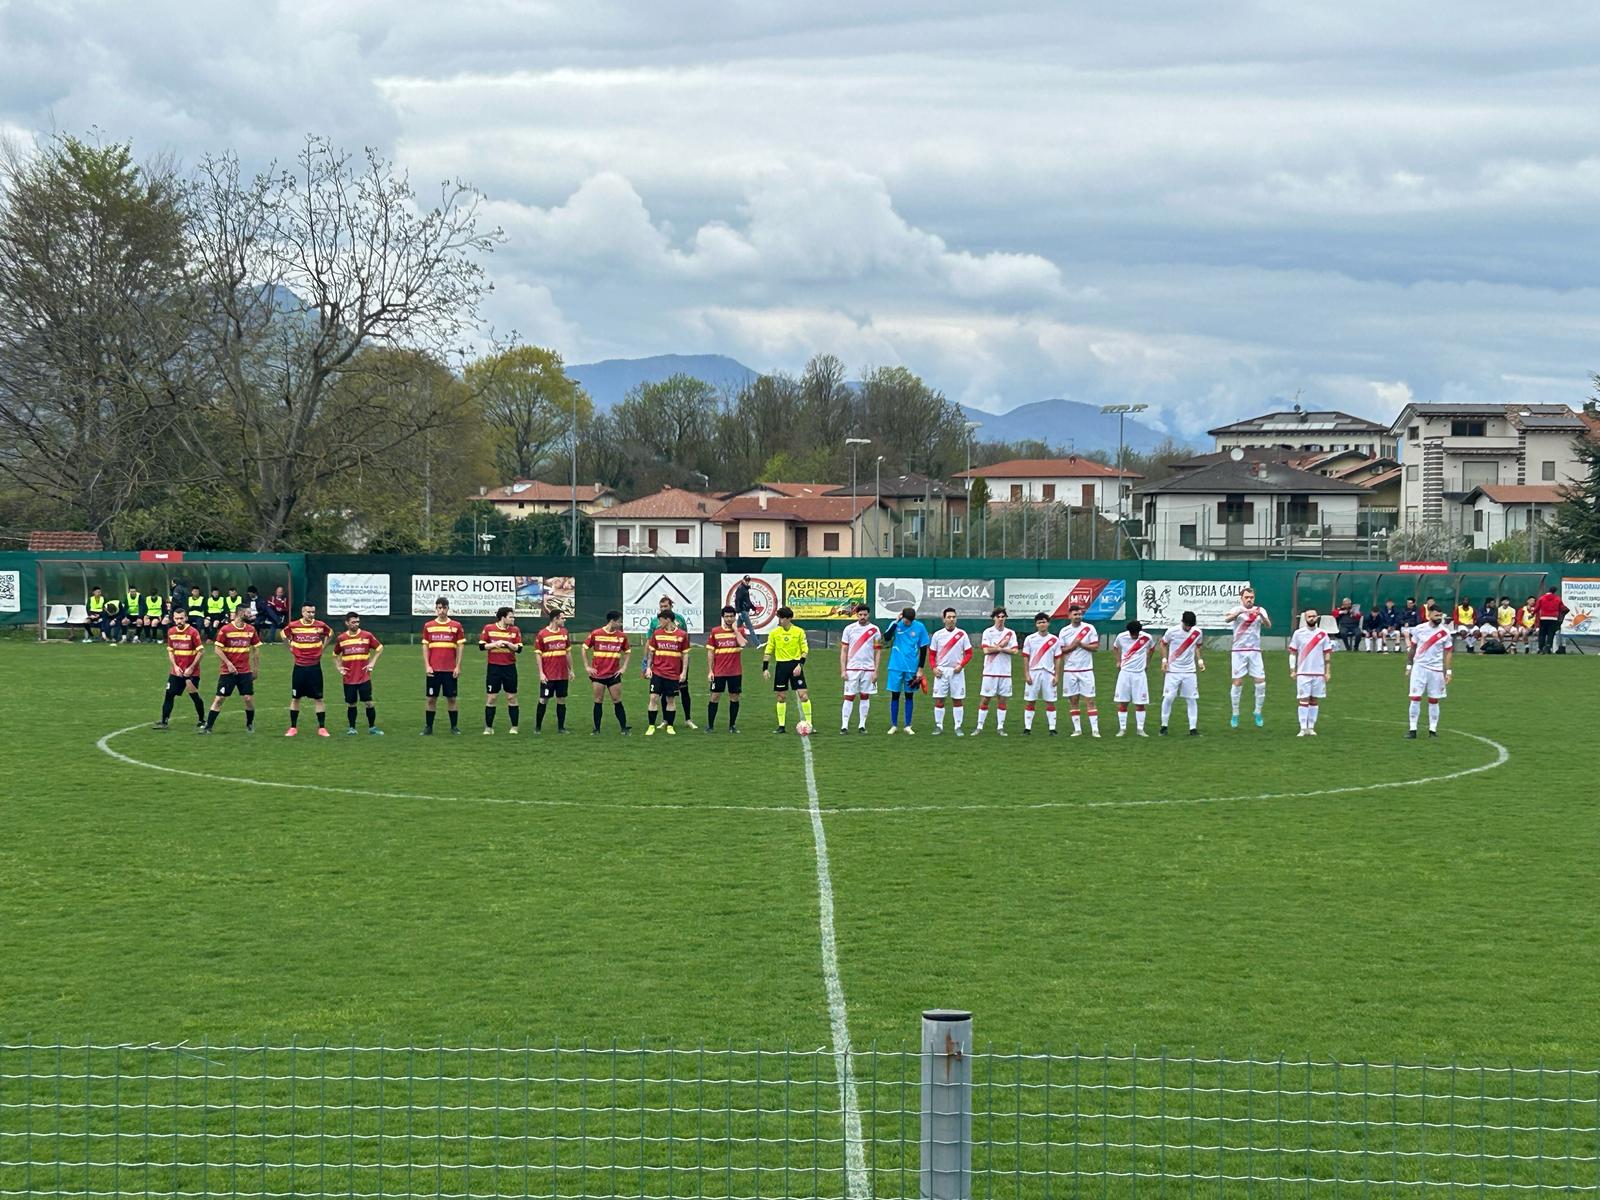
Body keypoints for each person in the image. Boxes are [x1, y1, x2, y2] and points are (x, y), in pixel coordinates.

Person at [200, 607, 261, 734]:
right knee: (219, 699)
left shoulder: (251, 630)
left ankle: (249, 724)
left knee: (248, 699)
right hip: (228, 672)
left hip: (245, 671)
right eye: (248, 612)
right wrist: (228, 664)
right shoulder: (226, 629)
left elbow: (256, 649)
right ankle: (208, 727)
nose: (251, 615)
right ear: (240, 613)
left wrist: (255, 669)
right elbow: (217, 649)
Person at [644, 596, 696, 729]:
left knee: (684, 690)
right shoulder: (655, 623)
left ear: (670, 607)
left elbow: (685, 640)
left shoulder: (680, 620)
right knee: (661, 693)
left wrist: (685, 664)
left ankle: (688, 718)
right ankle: (665, 720)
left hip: (676, 663)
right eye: (661, 607)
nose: (663, 609)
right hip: (661, 665)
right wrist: (646, 664)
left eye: (665, 607)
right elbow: (650, 642)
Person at [1222, 587, 1271, 729]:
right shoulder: (1236, 609)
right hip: (1238, 650)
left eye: (1251, 597)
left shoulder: (1260, 610)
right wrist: (1239, 613)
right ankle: (1235, 713)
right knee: (1237, 682)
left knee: (1261, 682)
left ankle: (1257, 712)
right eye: (1246, 597)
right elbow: (1227, 619)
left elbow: (1268, 625)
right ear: (1241, 598)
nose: (1249, 599)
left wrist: (1261, 616)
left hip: (1255, 651)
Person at [283, 602, 334, 737]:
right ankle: (293, 727)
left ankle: (322, 728)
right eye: (308, 612)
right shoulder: (294, 626)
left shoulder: (320, 625)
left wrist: (323, 647)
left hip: (314, 667)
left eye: (313, 612)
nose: (311, 615)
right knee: (295, 698)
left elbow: (330, 634)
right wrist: (289, 647)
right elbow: (283, 634)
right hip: (299, 667)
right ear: (302, 612)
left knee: (318, 698)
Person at [153, 607, 206, 729]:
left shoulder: (193, 632)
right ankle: (164, 722)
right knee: (169, 694)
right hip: (176, 671)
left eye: (181, 618)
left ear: (186, 618)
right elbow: (171, 651)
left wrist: (191, 668)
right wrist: (175, 666)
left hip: (191, 673)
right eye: (176, 619)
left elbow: (201, 652)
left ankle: (202, 720)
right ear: (173, 619)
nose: (179, 621)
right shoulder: (171, 632)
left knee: (194, 696)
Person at [761, 606, 812, 734]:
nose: (780, 620)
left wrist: (800, 665)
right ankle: (781, 726)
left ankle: (809, 724)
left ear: (789, 618)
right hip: (781, 667)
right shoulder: (774, 633)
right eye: (779, 618)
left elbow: (805, 650)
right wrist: (765, 668)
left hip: (795, 665)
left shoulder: (799, 632)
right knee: (781, 697)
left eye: (782, 618)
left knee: (804, 696)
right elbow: (768, 651)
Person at [1405, 605, 1454, 738]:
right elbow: (1413, 648)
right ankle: (1412, 729)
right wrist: (1409, 665)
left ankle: (1432, 730)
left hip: (1436, 670)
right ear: (1429, 615)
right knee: (1415, 698)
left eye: (1440, 615)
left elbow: (1448, 651)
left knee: (1434, 699)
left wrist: (1448, 671)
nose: (1439, 618)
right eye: (1436, 615)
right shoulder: (1419, 629)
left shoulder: (1445, 632)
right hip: (1419, 668)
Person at [332, 611, 384, 735]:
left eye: (357, 622)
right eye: (353, 622)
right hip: (349, 678)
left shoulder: (367, 636)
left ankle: (372, 727)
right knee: (351, 704)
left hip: (363, 677)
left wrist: (372, 663)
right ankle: (352, 728)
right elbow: (335, 655)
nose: (356, 624)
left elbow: (380, 648)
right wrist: (339, 667)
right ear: (347, 623)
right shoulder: (342, 638)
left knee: (369, 702)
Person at [421, 597, 466, 735]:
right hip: (433, 670)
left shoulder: (456, 625)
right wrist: (427, 665)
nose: (441, 610)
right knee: (431, 699)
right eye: (439, 608)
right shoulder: (428, 626)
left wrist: (457, 666)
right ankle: (428, 727)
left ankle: (454, 727)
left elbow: (460, 646)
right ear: (436, 609)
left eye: (444, 608)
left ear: (448, 608)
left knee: (451, 698)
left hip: (449, 669)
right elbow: (425, 647)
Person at [583, 611, 632, 735]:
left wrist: (623, 668)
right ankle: (596, 729)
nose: (620, 624)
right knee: (598, 700)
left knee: (617, 700)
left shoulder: (622, 636)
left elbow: (628, 652)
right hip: (598, 674)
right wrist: (587, 667)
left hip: (613, 674)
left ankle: (624, 728)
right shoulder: (596, 633)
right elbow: (584, 648)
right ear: (612, 621)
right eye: (619, 621)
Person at [884, 605, 930, 735]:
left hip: (912, 667)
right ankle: (894, 725)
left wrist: (920, 668)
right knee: (895, 695)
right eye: (906, 620)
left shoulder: (920, 627)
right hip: (895, 666)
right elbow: (886, 637)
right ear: (902, 616)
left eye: (910, 621)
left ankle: (908, 725)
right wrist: (896, 621)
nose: (907, 623)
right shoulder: (896, 624)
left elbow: (923, 648)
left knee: (909, 695)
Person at [1288, 608, 1333, 737]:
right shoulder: (1298, 634)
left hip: (1318, 673)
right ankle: (1302, 727)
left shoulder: (1323, 634)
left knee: (1314, 700)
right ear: (1305, 618)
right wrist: (1292, 670)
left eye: (1314, 616)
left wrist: (1327, 671)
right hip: (1303, 672)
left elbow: (1327, 654)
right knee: (1303, 699)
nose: (1312, 618)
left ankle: (1311, 727)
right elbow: (1292, 652)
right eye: (1309, 616)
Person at [1058, 603, 1101, 737]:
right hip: (1070, 671)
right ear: (1069, 616)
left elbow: (1095, 647)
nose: (1078, 616)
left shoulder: (1089, 628)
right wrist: (1072, 646)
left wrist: (1081, 644)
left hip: (1086, 670)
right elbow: (1061, 650)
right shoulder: (1064, 631)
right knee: (1074, 700)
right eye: (1075, 614)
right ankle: (1077, 729)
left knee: (1090, 700)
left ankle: (1095, 729)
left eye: (1080, 614)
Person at [1159, 610, 1205, 736]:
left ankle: (1193, 728)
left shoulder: (1197, 632)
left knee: (1191, 699)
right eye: (1186, 625)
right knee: (1168, 697)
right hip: (1173, 670)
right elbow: (1163, 644)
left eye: (1190, 626)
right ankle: (1164, 726)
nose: (1188, 628)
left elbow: (1198, 646)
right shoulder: (1172, 631)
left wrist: (1200, 659)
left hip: (1189, 671)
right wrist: (1164, 660)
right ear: (1182, 621)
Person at [928, 607, 972, 736]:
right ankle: (938, 726)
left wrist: (961, 665)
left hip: (956, 671)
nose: (951, 619)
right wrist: (934, 668)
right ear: (944, 619)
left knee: (957, 700)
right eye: (949, 617)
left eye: (954, 617)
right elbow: (931, 654)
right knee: (939, 700)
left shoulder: (962, 634)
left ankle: (958, 726)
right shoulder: (937, 635)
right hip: (941, 672)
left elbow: (969, 653)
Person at [972, 607, 1016, 736]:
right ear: (994, 618)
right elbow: (985, 650)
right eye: (998, 617)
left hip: (1005, 672)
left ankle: (1000, 727)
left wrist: (999, 649)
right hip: (990, 671)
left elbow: (1014, 651)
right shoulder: (988, 632)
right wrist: (1002, 647)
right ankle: (979, 727)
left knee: (1002, 700)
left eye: (1003, 616)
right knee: (985, 699)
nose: (1001, 619)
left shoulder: (1010, 633)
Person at [839, 603, 882, 734]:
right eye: (860, 614)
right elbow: (844, 650)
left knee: (865, 696)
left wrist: (876, 670)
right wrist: (843, 670)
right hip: (852, 669)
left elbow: (878, 651)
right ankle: (844, 726)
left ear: (868, 615)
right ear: (856, 615)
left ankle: (862, 725)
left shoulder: (875, 630)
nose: (862, 617)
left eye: (865, 614)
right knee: (849, 696)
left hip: (868, 669)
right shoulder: (849, 629)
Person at [480, 606, 524, 734]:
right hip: (494, 668)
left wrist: (511, 645)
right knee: (492, 698)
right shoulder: (489, 628)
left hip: (509, 667)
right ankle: (488, 728)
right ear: (503, 617)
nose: (513, 619)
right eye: (511, 617)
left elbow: (519, 649)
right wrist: (495, 644)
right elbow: (482, 646)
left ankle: (514, 727)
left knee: (511, 697)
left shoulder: (515, 630)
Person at [704, 606, 748, 733]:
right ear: (723, 617)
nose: (729, 619)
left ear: (735, 617)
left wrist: (735, 630)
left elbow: (743, 644)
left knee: (734, 697)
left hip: (735, 672)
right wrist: (710, 671)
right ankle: (710, 725)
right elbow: (710, 652)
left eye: (731, 616)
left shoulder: (739, 631)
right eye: (727, 616)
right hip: (719, 672)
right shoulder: (715, 631)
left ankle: (732, 726)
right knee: (714, 696)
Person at [1020, 612, 1061, 735]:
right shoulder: (1030, 639)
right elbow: (1025, 657)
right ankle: (1027, 728)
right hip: (1034, 673)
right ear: (1036, 625)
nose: (1042, 624)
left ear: (1048, 623)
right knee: (1030, 700)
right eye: (1039, 622)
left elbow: (1058, 658)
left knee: (1050, 701)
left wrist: (1057, 675)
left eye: (1044, 622)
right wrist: (1027, 674)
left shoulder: (1054, 640)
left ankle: (1052, 729)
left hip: (1048, 674)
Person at [1111, 619, 1154, 737]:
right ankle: (1122, 729)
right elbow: (1115, 647)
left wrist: (1147, 663)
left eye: (1136, 634)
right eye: (1132, 634)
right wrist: (1118, 661)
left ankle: (1140, 729)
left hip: (1139, 674)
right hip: (1125, 673)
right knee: (1123, 702)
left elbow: (1151, 649)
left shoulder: (1147, 638)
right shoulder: (1121, 637)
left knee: (1140, 703)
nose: (1134, 636)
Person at [535, 608, 573, 733]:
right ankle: (538, 727)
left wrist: (571, 670)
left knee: (561, 699)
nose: (564, 620)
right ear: (555, 619)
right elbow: (538, 655)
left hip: (562, 674)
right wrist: (541, 673)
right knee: (543, 699)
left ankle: (561, 728)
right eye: (562, 618)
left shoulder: (564, 633)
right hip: (548, 675)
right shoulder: (542, 634)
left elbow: (568, 653)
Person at [1534, 586, 1568, 654]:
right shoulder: (1557, 599)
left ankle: (1541, 648)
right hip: (1553, 618)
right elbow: (1562, 608)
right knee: (1550, 634)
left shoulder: (1542, 598)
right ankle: (1548, 647)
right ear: (1555, 591)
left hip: (1543, 617)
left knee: (1542, 634)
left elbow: (1537, 608)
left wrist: (1532, 614)